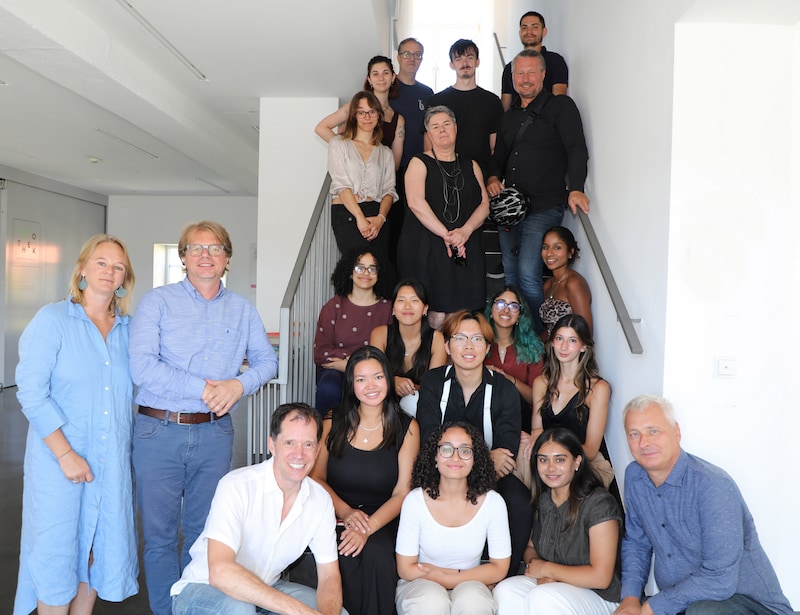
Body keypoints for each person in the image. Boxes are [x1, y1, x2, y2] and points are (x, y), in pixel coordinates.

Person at [130, 220, 279, 615]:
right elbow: (142, 368)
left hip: (214, 435)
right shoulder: (156, 302)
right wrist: (203, 388)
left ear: (227, 258)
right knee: (159, 538)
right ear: (183, 257)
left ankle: (196, 608)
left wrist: (238, 386)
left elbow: (267, 361)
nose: (205, 256)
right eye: (196, 249)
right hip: (157, 431)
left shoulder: (242, 310)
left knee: (205, 534)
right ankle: (165, 610)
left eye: (214, 249)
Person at [14, 235, 137, 615]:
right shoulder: (53, 320)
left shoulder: (129, 331)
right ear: (82, 268)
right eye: (101, 262)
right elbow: (31, 393)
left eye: (118, 266)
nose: (109, 271)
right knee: (56, 552)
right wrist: (66, 454)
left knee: (95, 551)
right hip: (58, 463)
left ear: (124, 278)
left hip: (109, 463)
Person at [616, 395, 793, 615]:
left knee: (702, 611)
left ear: (676, 432)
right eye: (634, 434)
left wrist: (655, 605)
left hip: (750, 605)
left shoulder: (713, 486)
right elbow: (637, 543)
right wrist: (630, 599)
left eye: (653, 431)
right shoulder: (635, 477)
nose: (644, 442)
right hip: (684, 603)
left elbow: (719, 580)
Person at [170, 403, 347, 615]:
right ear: (272, 445)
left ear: (318, 449)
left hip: (266, 590)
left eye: (308, 445)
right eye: (289, 443)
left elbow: (329, 576)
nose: (299, 454)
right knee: (240, 609)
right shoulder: (237, 485)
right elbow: (220, 572)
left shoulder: (321, 500)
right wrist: (299, 611)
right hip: (202, 589)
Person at [416, 310, 531, 576]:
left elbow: (505, 454)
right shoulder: (433, 383)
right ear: (447, 345)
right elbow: (429, 439)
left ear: (487, 347)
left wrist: (468, 458)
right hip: (439, 472)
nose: (469, 346)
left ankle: (503, 579)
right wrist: (484, 456)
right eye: (460, 338)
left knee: (520, 502)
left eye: (477, 339)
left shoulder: (504, 390)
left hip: (489, 476)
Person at [311, 347, 420, 615]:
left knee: (377, 554)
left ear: (388, 380)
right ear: (351, 384)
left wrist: (367, 527)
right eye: (361, 379)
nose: (370, 386)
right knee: (342, 551)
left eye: (378, 377)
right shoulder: (332, 421)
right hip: (336, 512)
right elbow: (316, 478)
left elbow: (402, 492)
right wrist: (347, 513)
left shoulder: (407, 428)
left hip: (383, 518)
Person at [487, 50, 589, 334]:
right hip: (510, 210)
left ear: (544, 75)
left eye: (531, 72)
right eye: (519, 73)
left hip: (544, 206)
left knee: (529, 274)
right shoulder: (508, 117)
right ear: (512, 78)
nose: (525, 79)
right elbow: (498, 158)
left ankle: (535, 336)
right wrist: (493, 177)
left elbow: (576, 149)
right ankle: (511, 331)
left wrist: (577, 188)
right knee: (510, 272)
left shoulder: (561, 107)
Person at [493, 428, 622, 614]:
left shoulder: (599, 503)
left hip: (598, 594)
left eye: (560, 460)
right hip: (554, 583)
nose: (550, 468)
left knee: (543, 597)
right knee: (506, 590)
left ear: (577, 462)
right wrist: (539, 567)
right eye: (543, 460)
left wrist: (548, 570)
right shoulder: (544, 499)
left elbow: (601, 577)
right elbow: (530, 548)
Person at [395, 422, 511, 614]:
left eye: (465, 451)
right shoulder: (415, 500)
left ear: (476, 459)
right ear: (435, 456)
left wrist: (448, 578)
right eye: (447, 449)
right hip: (420, 583)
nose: (455, 457)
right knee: (431, 603)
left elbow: (499, 568)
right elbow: (406, 568)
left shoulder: (493, 503)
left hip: (470, 584)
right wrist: (457, 576)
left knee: (473, 603)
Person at [397, 106, 490, 329]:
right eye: (435, 127)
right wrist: (448, 236)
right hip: (427, 247)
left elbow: (484, 205)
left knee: (462, 316)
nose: (442, 130)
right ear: (428, 134)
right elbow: (415, 203)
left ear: (456, 129)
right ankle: (433, 362)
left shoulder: (471, 165)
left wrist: (465, 231)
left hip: (465, 245)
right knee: (436, 317)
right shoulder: (418, 162)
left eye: (447, 124)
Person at [531, 314, 619, 502]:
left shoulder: (597, 388)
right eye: (559, 339)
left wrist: (559, 458)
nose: (564, 347)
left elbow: (592, 449)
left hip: (584, 462)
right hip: (547, 458)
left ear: (583, 347)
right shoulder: (541, 382)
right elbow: (537, 430)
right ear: (552, 342)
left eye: (572, 340)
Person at [314, 249, 393, 416]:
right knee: (328, 387)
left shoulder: (388, 309)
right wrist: (348, 365)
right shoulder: (334, 306)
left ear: (379, 274)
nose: (366, 273)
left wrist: (352, 364)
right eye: (360, 268)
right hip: (336, 371)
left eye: (372, 268)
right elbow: (321, 352)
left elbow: (391, 351)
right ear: (349, 272)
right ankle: (326, 437)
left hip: (374, 372)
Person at [324, 91, 398, 258]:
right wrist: (359, 217)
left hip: (377, 214)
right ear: (354, 115)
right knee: (355, 266)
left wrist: (381, 218)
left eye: (372, 111)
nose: (367, 116)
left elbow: (389, 191)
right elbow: (341, 184)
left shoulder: (385, 152)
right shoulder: (338, 144)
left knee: (378, 268)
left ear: (379, 115)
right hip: (347, 212)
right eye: (361, 112)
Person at [427, 39, 503, 180]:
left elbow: (495, 147)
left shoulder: (492, 101)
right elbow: (429, 142)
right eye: (458, 59)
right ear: (452, 64)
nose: (465, 63)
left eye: (469, 57)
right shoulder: (437, 101)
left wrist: (493, 176)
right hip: (445, 174)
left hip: (481, 174)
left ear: (477, 62)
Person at [369, 279, 447, 416]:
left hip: (421, 405)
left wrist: (407, 388)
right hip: (382, 400)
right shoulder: (379, 334)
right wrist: (393, 381)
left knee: (412, 400)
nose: (407, 306)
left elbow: (435, 386)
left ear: (425, 309)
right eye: (401, 300)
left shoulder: (437, 339)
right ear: (393, 309)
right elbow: (373, 377)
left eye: (414, 300)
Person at [388, 38, 434, 263]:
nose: (412, 59)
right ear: (398, 57)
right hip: (390, 171)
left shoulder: (427, 93)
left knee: (414, 228)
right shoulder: (386, 88)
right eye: (407, 53)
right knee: (392, 227)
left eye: (417, 54)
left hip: (418, 171)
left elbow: (430, 132)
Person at [316, 56, 406, 170]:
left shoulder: (398, 120)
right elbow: (321, 128)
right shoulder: (355, 105)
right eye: (375, 74)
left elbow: (394, 165)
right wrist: (346, 151)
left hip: (378, 181)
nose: (381, 78)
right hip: (348, 174)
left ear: (393, 77)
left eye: (386, 73)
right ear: (369, 80)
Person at [484, 285, 545, 433]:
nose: (506, 310)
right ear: (491, 311)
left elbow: (535, 399)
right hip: (482, 412)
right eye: (500, 303)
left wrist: (509, 379)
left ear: (520, 315)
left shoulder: (533, 348)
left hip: (520, 419)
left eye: (513, 306)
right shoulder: (477, 342)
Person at [500, 11, 569, 111]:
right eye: (524, 27)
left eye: (534, 27)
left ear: (544, 31)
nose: (529, 31)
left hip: (546, 122)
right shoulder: (509, 67)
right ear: (520, 33)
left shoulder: (555, 61)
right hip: (517, 123)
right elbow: (505, 107)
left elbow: (558, 101)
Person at [540, 226, 592, 338]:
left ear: (570, 252)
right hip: (550, 348)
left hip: (567, 351)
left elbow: (585, 332)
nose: (549, 253)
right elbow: (550, 329)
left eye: (557, 247)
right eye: (545, 247)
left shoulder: (574, 283)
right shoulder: (549, 284)